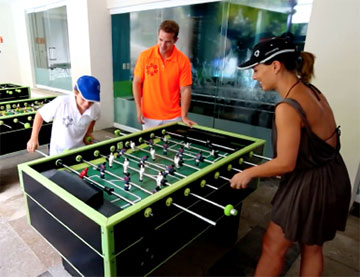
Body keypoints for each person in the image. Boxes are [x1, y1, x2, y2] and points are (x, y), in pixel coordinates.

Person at [231, 34, 351, 276]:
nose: (253, 76)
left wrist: (249, 172)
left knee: (273, 245)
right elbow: (330, 143)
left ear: (275, 66)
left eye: (256, 69)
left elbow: (286, 163)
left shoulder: (286, 108)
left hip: (310, 185)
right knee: (312, 247)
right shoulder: (312, 91)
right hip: (333, 176)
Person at [132, 20, 197, 129]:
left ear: (175, 40)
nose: (162, 45)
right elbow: (136, 83)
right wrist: (138, 109)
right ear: (158, 35)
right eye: (160, 40)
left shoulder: (182, 61)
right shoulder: (145, 56)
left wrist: (184, 116)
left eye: (168, 41)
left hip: (173, 118)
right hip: (149, 117)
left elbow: (185, 90)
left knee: (173, 146)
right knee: (150, 146)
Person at [27, 75, 101, 156]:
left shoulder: (95, 108)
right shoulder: (62, 102)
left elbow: (94, 119)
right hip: (58, 152)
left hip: (80, 150)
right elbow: (40, 114)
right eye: (83, 99)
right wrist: (33, 138)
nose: (87, 104)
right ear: (76, 92)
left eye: (91, 101)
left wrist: (88, 133)